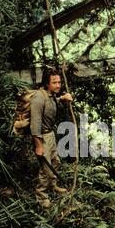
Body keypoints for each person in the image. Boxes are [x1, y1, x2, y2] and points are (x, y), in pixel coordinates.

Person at [30, 69, 73, 208]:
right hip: (42, 137)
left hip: (50, 135)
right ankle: (41, 197)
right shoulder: (38, 97)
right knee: (46, 169)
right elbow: (35, 124)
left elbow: (51, 102)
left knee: (55, 162)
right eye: (54, 82)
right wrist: (38, 145)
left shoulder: (51, 95)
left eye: (59, 82)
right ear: (47, 83)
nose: (58, 85)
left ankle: (53, 185)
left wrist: (63, 98)